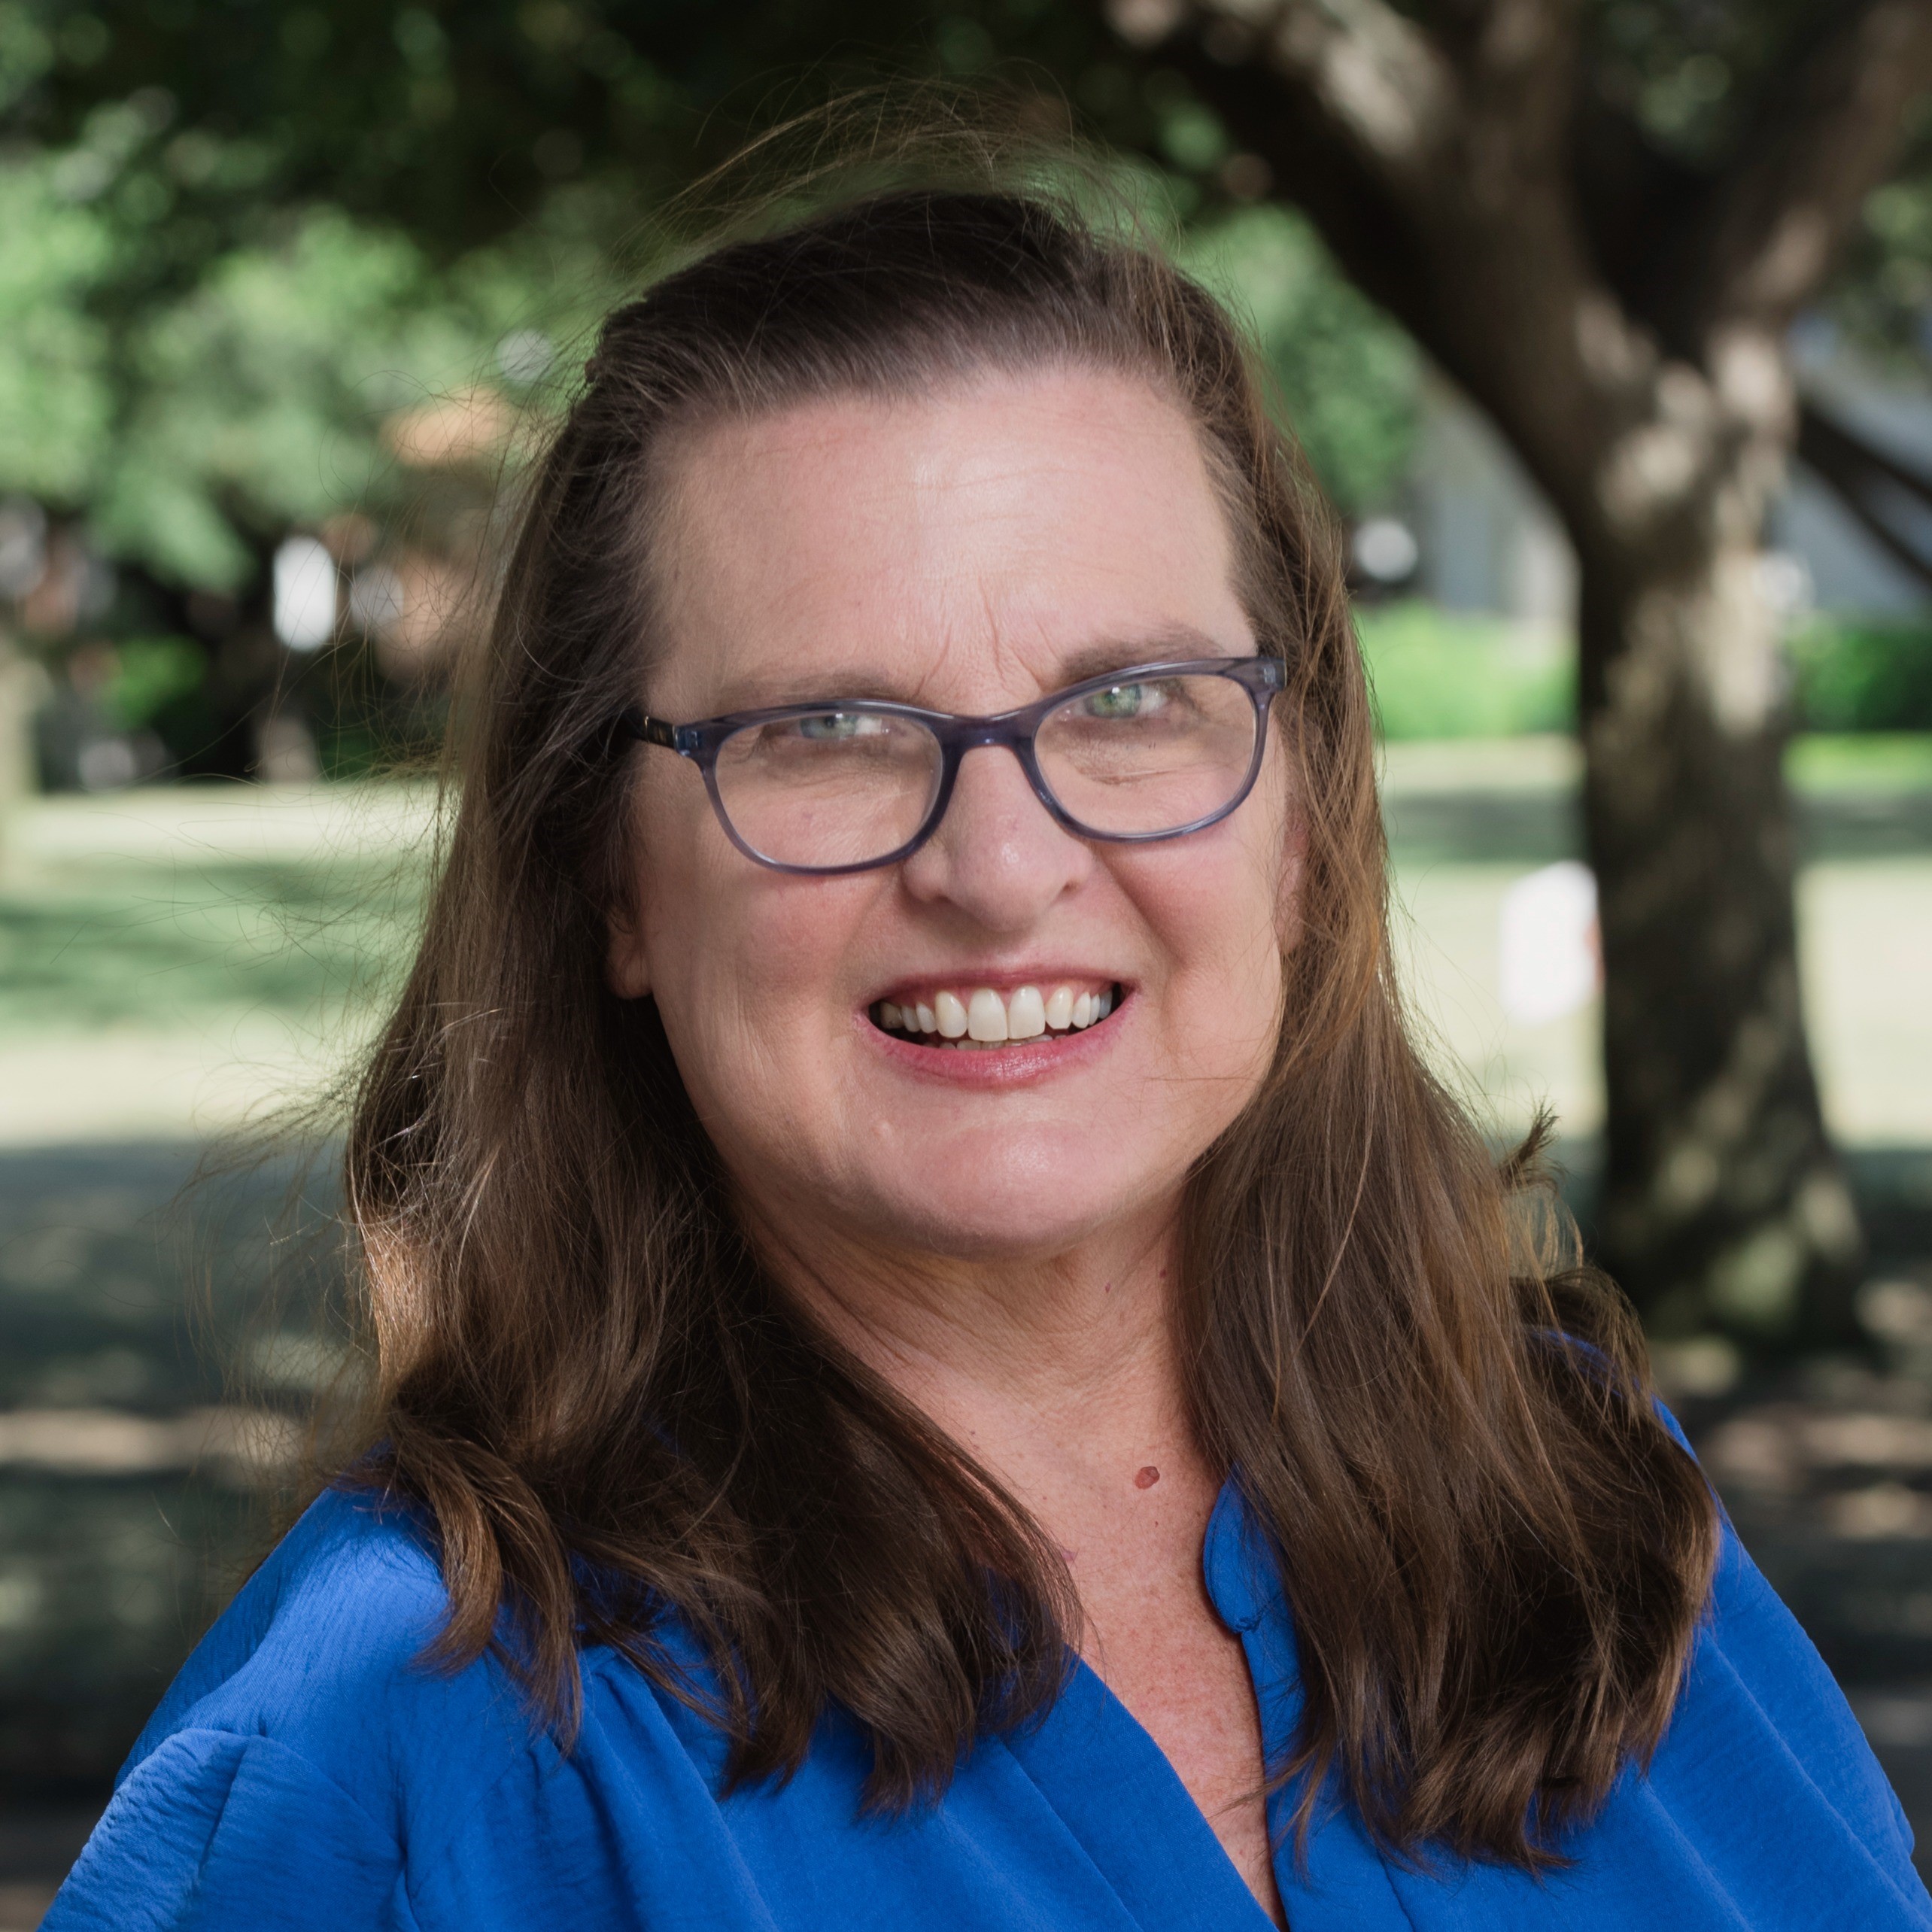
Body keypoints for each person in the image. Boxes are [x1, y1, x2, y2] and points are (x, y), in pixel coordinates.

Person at [44, 179, 1931, 1932]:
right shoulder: (397, 1753)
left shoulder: (1582, 1517)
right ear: (605, 878)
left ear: (1298, 822)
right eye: (829, 730)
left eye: (1130, 702)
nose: (1002, 866)